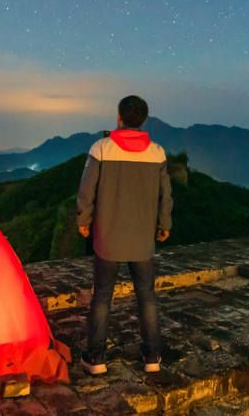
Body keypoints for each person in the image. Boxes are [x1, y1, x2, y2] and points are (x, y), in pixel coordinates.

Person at [76, 95, 173, 375]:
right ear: (143, 120)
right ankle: (152, 356)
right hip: (142, 240)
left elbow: (86, 190)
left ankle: (95, 358)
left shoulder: (102, 148)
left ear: (119, 117)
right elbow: (165, 195)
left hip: (108, 238)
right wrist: (164, 223)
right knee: (147, 296)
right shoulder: (157, 153)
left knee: (102, 296)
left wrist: (84, 220)